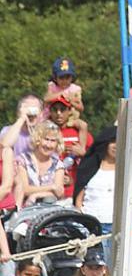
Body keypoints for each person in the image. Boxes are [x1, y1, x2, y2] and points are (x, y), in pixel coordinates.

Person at [74, 127, 118, 265]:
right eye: (113, 142)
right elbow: (79, 198)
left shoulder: (128, 169)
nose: (116, 146)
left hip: (117, 227)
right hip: (92, 226)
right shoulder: (91, 166)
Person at [46, 95, 91, 201]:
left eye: (62, 109)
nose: (58, 113)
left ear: (69, 111)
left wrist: (83, 153)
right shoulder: (45, 132)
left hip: (76, 191)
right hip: (50, 191)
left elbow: (96, 159)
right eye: (55, 110)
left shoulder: (79, 132)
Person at [13, 120, 66, 209]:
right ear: (38, 139)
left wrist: (36, 195)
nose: (48, 145)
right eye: (46, 139)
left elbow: (59, 192)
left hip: (50, 211)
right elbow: (24, 189)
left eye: (53, 141)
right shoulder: (23, 160)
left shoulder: (58, 164)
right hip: (24, 210)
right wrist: (51, 187)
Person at [44, 55, 86, 133]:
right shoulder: (53, 86)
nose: (64, 81)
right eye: (61, 78)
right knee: (42, 127)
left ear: (72, 78)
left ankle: (82, 145)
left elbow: (81, 107)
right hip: (52, 117)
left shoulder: (74, 89)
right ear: (55, 78)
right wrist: (60, 94)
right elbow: (46, 99)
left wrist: (71, 102)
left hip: (71, 118)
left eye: (67, 78)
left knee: (83, 125)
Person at [0, 94, 43, 161]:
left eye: (35, 109)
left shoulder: (46, 132)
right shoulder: (7, 130)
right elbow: (4, 145)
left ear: (41, 113)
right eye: (28, 108)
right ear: (19, 112)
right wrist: (22, 118)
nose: (31, 113)